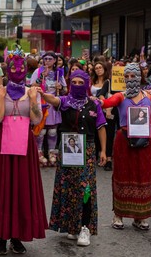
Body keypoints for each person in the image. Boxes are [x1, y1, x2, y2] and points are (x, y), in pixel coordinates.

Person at [0, 50, 47, 255]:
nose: (18, 71)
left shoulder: (32, 91)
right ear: (7, 69)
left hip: (24, 144)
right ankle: (1, 237)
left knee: (21, 189)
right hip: (2, 143)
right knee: (2, 189)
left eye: (21, 67)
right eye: (13, 68)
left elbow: (36, 120)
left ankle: (17, 236)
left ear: (26, 69)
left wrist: (32, 99)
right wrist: (2, 97)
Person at [40, 69, 107, 246]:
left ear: (87, 84)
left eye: (80, 83)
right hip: (68, 150)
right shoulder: (65, 101)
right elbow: (53, 99)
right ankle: (72, 226)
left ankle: (85, 227)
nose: (77, 86)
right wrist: (41, 93)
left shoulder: (94, 105)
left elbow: (101, 128)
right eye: (74, 82)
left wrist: (103, 151)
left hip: (87, 150)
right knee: (68, 187)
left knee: (85, 189)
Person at [99, 63, 151, 231]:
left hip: (145, 141)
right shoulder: (121, 96)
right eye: (126, 77)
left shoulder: (149, 97)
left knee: (143, 175)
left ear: (139, 77)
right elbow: (107, 103)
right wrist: (98, 100)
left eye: (132, 76)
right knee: (122, 174)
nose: (129, 79)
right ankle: (118, 215)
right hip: (124, 139)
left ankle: (140, 217)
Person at [31, 51, 66, 166]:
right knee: (41, 130)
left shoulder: (58, 73)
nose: (47, 61)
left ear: (55, 60)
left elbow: (65, 90)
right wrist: (41, 77)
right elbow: (32, 87)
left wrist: (60, 88)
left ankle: (52, 152)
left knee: (52, 130)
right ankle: (39, 152)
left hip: (53, 103)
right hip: (41, 102)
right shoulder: (38, 71)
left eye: (50, 59)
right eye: (45, 59)